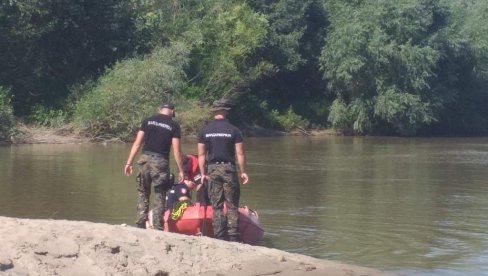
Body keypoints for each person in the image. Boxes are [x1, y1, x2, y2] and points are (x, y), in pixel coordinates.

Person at [124, 102, 184, 230]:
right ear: (173, 111)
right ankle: (157, 226)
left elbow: (137, 143)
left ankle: (140, 224)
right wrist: (181, 170)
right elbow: (177, 151)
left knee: (143, 192)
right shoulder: (174, 125)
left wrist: (129, 162)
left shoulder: (148, 121)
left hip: (144, 159)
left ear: (160, 109)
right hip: (161, 161)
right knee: (160, 194)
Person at [197, 99, 249, 242]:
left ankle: (219, 236)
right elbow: (240, 154)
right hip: (229, 169)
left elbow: (201, 155)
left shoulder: (204, 131)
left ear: (213, 112)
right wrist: (243, 171)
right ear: (225, 112)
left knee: (217, 205)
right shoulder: (234, 130)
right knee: (232, 204)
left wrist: (202, 174)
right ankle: (233, 237)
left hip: (212, 169)